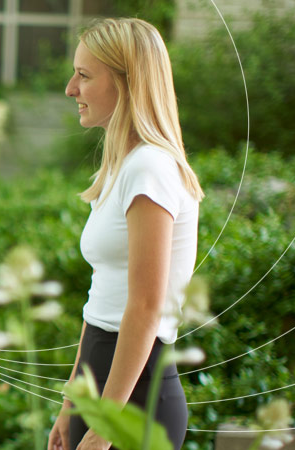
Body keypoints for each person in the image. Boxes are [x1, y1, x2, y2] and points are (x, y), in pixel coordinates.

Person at [47, 17, 205, 450]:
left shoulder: (151, 169)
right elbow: (103, 300)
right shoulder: (122, 167)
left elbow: (145, 306)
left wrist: (105, 425)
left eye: (83, 76)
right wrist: (71, 404)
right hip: (101, 391)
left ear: (126, 83)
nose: (70, 89)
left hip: (134, 401)